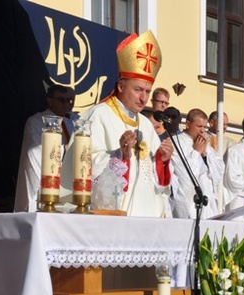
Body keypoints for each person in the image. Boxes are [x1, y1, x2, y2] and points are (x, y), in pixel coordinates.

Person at [63, 30, 173, 217]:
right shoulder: (98, 115)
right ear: (121, 86)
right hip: (114, 214)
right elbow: (82, 164)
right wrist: (120, 155)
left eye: (147, 91)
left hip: (147, 216)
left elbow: (154, 181)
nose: (143, 98)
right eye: (138, 90)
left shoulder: (146, 124)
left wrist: (161, 161)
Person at [14, 84, 78, 212]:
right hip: (45, 180)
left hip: (68, 181)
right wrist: (65, 149)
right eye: (61, 100)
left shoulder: (73, 122)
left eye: (69, 100)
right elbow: (36, 152)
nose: (66, 104)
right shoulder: (37, 121)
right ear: (50, 101)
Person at [171, 108, 225, 219]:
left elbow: (218, 171)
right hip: (188, 201)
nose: (202, 130)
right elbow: (184, 174)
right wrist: (196, 152)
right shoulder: (176, 142)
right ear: (188, 124)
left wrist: (205, 155)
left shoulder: (205, 144)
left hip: (207, 199)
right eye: (199, 126)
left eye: (205, 127)